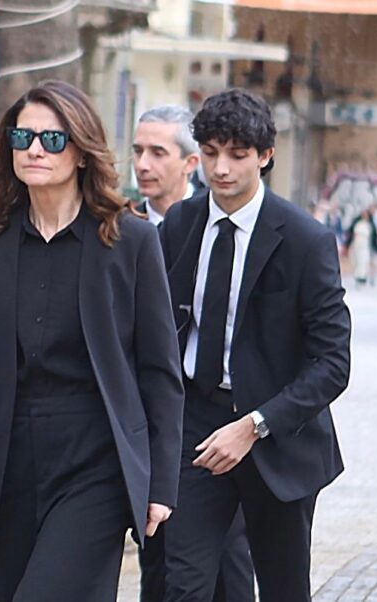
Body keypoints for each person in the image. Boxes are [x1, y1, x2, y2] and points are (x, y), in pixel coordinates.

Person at [0, 80, 184, 601]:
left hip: (94, 459)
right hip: (4, 457)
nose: (34, 149)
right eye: (22, 137)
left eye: (52, 139)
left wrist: (161, 480)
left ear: (80, 151)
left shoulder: (130, 241)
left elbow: (158, 370)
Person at [159, 89, 350, 602]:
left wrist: (255, 424)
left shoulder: (306, 240)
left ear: (265, 157)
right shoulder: (178, 226)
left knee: (284, 589)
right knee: (183, 585)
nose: (222, 169)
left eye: (238, 155)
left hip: (276, 439)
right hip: (195, 428)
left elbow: (332, 363)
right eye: (213, 153)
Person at [132, 106, 254, 602]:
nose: (143, 164)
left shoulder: (217, 224)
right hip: (156, 424)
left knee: (224, 561)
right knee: (159, 564)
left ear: (188, 162)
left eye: (158, 152)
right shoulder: (117, 226)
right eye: (137, 151)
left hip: (221, 421)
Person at [346, 205, 377, 288]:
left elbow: (374, 237)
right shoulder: (357, 223)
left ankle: (362, 277)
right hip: (356, 245)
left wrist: (375, 247)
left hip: (365, 246)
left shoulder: (370, 225)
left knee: (363, 261)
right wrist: (347, 244)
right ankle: (357, 276)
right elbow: (351, 234)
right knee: (356, 261)